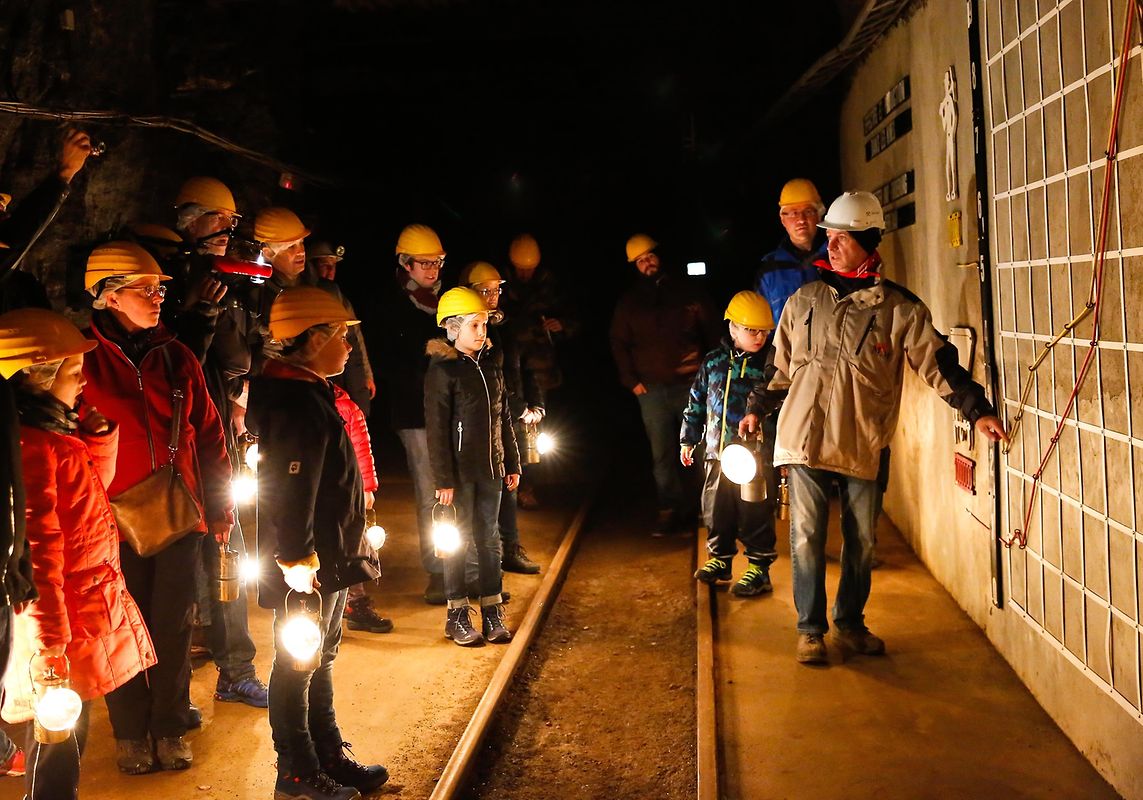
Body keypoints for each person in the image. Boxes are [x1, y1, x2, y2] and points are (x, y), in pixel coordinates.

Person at [740, 191, 1008, 665]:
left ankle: (850, 623)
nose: (832, 245)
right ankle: (810, 630)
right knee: (805, 537)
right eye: (830, 236)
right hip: (801, 439)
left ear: (866, 240)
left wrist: (976, 410)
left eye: (842, 237)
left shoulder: (898, 309)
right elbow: (777, 369)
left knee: (861, 541)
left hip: (862, 442)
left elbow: (939, 364)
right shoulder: (804, 302)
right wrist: (755, 408)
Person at [80, 241, 234, 772]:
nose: (157, 297)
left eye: (160, 287)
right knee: (120, 626)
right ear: (106, 297)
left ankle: (168, 726)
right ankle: (129, 732)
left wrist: (218, 509)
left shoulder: (177, 356)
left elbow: (211, 436)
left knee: (172, 623)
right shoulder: (81, 361)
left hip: (178, 514)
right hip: (108, 521)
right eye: (143, 289)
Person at [0, 309, 156, 799]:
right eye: (72, 372)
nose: (82, 380)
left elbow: (93, 489)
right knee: (56, 746)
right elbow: (38, 549)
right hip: (55, 621)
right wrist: (50, 649)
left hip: (77, 610)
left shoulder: (54, 434)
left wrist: (98, 439)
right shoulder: (32, 446)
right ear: (36, 377)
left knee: (67, 741)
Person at [248, 287, 386, 800]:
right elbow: (291, 486)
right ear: (313, 339)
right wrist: (296, 555)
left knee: (322, 653)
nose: (350, 345)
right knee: (298, 660)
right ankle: (298, 771)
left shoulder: (309, 392)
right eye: (341, 335)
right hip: (308, 559)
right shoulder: (294, 400)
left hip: (328, 552)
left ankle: (328, 754)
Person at [165, 177, 269, 711]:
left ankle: (236, 669)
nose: (227, 230)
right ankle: (174, 694)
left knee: (229, 551)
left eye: (231, 221)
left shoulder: (228, 283)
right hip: (175, 445)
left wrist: (241, 391)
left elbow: (240, 348)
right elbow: (176, 363)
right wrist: (198, 313)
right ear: (186, 219)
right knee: (180, 566)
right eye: (216, 219)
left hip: (218, 436)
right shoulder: (170, 284)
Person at [424, 287, 520, 647]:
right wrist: (444, 478)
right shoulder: (442, 371)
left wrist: (511, 459)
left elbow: (503, 416)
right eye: (474, 326)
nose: (482, 332)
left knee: (489, 539)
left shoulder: (492, 365)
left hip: (491, 470)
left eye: (484, 325)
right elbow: (436, 429)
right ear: (453, 329)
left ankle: (492, 610)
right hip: (460, 476)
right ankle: (457, 614)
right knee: (457, 543)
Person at [610, 234, 719, 536]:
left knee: (698, 449)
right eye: (640, 259)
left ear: (658, 256)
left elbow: (711, 333)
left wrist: (710, 377)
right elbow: (618, 342)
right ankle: (669, 508)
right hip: (652, 390)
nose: (647, 262)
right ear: (635, 266)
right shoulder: (630, 302)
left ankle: (703, 507)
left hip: (690, 386)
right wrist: (631, 381)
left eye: (650, 256)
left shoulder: (688, 291)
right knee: (661, 454)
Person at [681, 291, 778, 597]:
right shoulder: (713, 362)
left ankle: (758, 568)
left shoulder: (772, 365)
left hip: (755, 456)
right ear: (733, 328)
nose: (759, 337)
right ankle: (720, 560)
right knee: (716, 507)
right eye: (751, 330)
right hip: (716, 452)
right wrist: (688, 438)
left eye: (764, 330)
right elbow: (696, 400)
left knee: (755, 510)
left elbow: (778, 400)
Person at [373, 224, 447, 604]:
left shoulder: (447, 302)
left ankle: (466, 564)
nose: (432, 269)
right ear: (406, 264)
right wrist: (428, 357)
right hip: (414, 411)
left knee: (458, 487)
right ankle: (438, 569)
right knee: (430, 490)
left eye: (437, 262)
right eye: (424, 263)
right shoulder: (392, 305)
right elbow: (390, 360)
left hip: (449, 408)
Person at [461, 260, 543, 576]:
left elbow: (522, 366)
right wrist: (518, 404)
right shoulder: (470, 331)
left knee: (510, 480)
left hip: (508, 414)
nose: (493, 296)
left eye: (496, 290)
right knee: (485, 492)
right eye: (485, 290)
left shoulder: (507, 326)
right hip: (487, 417)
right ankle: (484, 560)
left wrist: (534, 402)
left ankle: (510, 548)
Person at [253, 212, 375, 420]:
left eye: (301, 243)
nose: (300, 251)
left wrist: (360, 398)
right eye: (291, 246)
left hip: (331, 390)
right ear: (267, 252)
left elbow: (351, 339)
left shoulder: (326, 291)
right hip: (283, 397)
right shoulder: (257, 298)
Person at [502, 234, 574, 509]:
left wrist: (562, 325)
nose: (524, 273)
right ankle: (518, 486)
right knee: (512, 432)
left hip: (541, 370)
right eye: (520, 268)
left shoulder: (550, 287)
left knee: (540, 436)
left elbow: (574, 320)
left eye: (528, 269)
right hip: (510, 371)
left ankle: (534, 484)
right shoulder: (502, 287)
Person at [0, 129, 94, 312]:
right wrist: (64, 174)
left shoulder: (20, 286)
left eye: (4, 209)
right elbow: (14, 239)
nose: (7, 216)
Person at [753, 178, 827, 326]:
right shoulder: (769, 272)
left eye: (808, 211)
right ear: (783, 219)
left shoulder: (837, 259)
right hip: (786, 349)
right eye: (793, 213)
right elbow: (760, 327)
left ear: (819, 215)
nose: (801, 219)